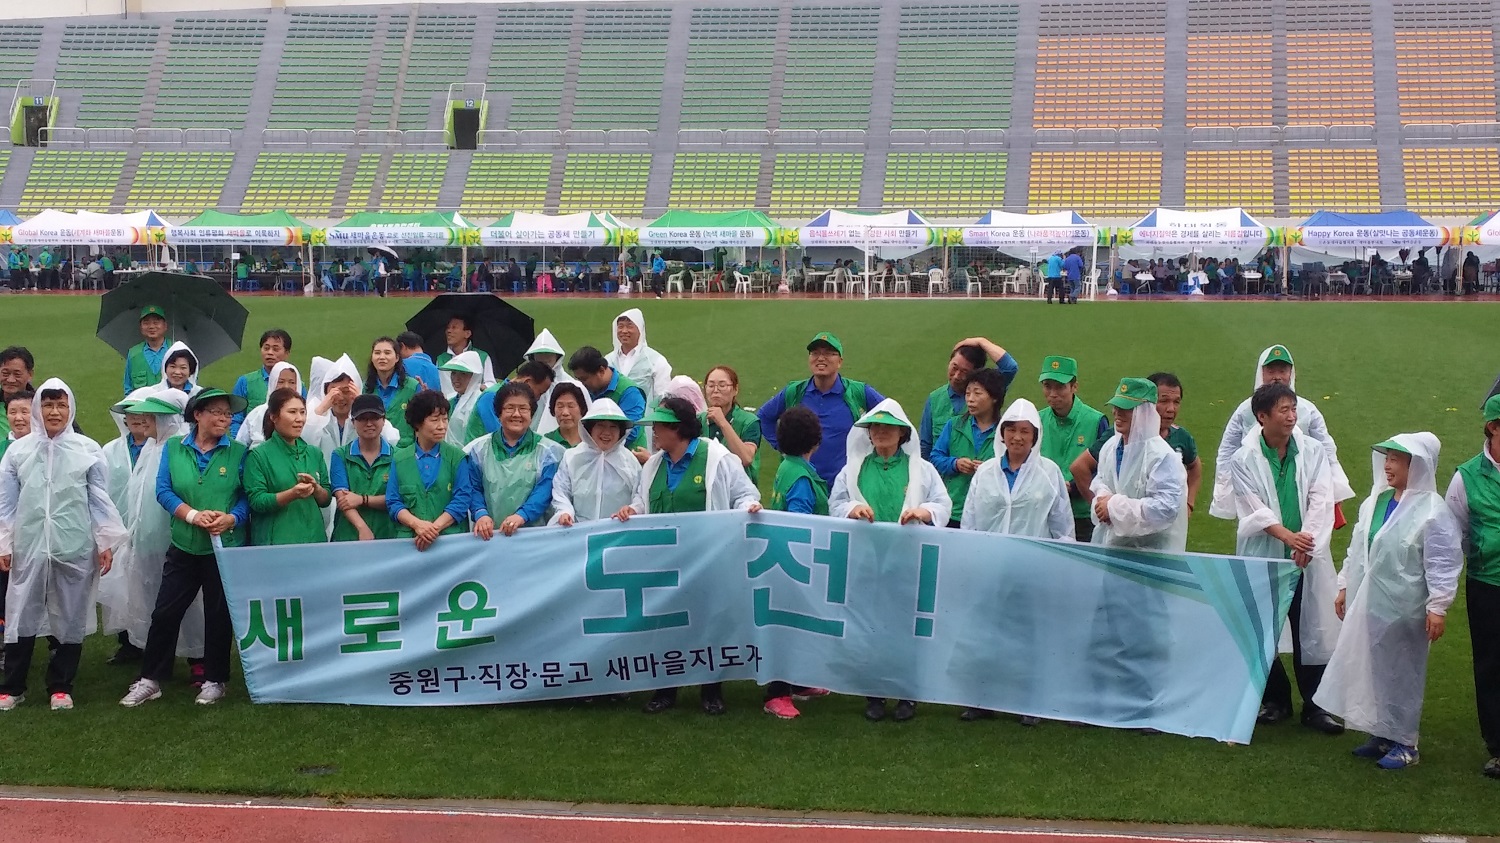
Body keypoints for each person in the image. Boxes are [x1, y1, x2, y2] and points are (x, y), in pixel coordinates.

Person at [1315, 433, 1462, 770]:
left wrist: (1437, 606)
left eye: (1397, 459)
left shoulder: (1432, 511)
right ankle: (1382, 733)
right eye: (1387, 458)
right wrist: (1344, 585)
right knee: (1376, 671)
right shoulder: (1376, 502)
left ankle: (1406, 742)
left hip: (1406, 608)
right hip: (1372, 603)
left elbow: (1442, 561)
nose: (1388, 465)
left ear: (1417, 466)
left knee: (1403, 673)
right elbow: (1358, 548)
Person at [615, 396, 762, 714]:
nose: (654, 431)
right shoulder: (653, 464)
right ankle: (665, 689)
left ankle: (711, 690)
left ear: (678, 429)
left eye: (660, 426)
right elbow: (643, 499)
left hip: (707, 560)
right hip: (664, 561)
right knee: (665, 625)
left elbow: (744, 493)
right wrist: (633, 509)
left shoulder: (717, 458)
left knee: (710, 623)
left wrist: (748, 507)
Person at [0, 379, 128, 712]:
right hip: (29, 546)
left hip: (73, 544)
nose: (54, 412)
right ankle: (13, 687)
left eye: (61, 405)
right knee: (21, 613)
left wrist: (105, 540)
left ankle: (61, 685)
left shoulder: (87, 449)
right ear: (37, 409)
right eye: (47, 405)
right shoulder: (19, 451)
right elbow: (6, 504)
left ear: (70, 408)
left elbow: (99, 499)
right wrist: (5, 543)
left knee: (70, 615)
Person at [120, 387, 250, 708]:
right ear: (198, 415)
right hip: (183, 545)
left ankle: (215, 679)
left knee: (218, 615)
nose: (224, 419)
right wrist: (192, 515)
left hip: (222, 549)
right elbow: (164, 490)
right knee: (166, 611)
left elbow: (247, 497)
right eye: (217, 412)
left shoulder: (239, 452)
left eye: (228, 414)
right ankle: (151, 679)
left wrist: (231, 518)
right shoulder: (175, 448)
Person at [1227, 382, 1343, 733]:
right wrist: (1287, 537)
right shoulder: (1242, 458)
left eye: (1293, 409)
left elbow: (1321, 499)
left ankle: (1316, 707)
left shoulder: (1312, 451)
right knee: (1263, 629)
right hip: (1264, 557)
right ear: (1262, 417)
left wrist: (1306, 542)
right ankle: (1275, 700)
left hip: (1305, 556)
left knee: (1311, 628)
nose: (1292, 416)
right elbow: (1253, 508)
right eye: (1284, 410)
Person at [829, 399, 951, 723]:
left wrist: (923, 511)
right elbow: (836, 503)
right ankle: (875, 692)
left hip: (908, 560)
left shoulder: (922, 470)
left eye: (888, 427)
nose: (881, 432)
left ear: (902, 433)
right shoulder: (853, 469)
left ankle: (907, 693)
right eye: (875, 427)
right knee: (870, 625)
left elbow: (943, 504)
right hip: (866, 561)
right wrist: (852, 509)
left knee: (906, 626)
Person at [96, 390, 201, 674]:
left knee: (186, 603)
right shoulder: (151, 449)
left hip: (174, 541)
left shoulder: (178, 449)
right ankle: (158, 659)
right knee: (152, 601)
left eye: (152, 416)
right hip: (145, 541)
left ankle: (197, 658)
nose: (145, 421)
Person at [1210, 345, 1354, 521]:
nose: (1277, 377)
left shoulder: (1308, 410)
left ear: (1291, 373)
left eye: (1282, 371)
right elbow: (1227, 450)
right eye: (1271, 371)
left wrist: (1336, 486)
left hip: (1300, 484)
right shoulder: (1245, 411)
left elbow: (1327, 449)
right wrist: (1225, 490)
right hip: (1258, 485)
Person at [1446, 394, 1500, 777]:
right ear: (1493, 427)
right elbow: (1453, 537)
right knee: (1492, 664)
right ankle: (1498, 745)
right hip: (1487, 586)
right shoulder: (1465, 478)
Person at [758, 332, 886, 490]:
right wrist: (783, 447)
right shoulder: (794, 391)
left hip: (845, 486)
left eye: (828, 353)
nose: (820, 358)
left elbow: (892, 415)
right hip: (801, 484)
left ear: (840, 362)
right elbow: (763, 417)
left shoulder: (858, 392)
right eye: (815, 353)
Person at [1071, 372, 1203, 516]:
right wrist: (1099, 505)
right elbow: (1088, 471)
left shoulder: (1169, 449)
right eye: (1164, 401)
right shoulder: (1114, 441)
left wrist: (1189, 503)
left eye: (1176, 402)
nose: (1171, 409)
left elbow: (1166, 505)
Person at [1090, 378, 1189, 551]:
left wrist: (1113, 507)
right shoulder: (1111, 446)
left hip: (1152, 555)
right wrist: (1102, 499)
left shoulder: (1162, 457)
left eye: (1126, 409)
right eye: (1116, 407)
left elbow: (1165, 508)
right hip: (1112, 549)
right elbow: (1102, 480)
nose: (1116, 413)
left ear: (1144, 412)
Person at [961, 398, 1073, 540]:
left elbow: (1063, 526)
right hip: (988, 550)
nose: (1017, 437)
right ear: (1002, 433)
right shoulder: (985, 472)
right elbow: (969, 521)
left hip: (1032, 552)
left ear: (1034, 436)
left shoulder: (1049, 472)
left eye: (1025, 431)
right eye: (1011, 430)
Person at [467, 382, 564, 540]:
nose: (516, 414)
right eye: (510, 408)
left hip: (533, 539)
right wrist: (481, 514)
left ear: (532, 413)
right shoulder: (478, 449)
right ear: (499, 413)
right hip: (488, 537)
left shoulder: (550, 452)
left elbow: (544, 491)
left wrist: (522, 515)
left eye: (523, 409)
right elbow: (473, 487)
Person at [386, 389, 471, 551]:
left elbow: (462, 499)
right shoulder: (399, 459)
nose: (442, 426)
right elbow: (393, 502)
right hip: (410, 544)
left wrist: (433, 529)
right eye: (435, 420)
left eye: (445, 419)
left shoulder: (457, 458)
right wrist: (417, 524)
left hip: (450, 543)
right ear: (418, 423)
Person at [244, 388, 331, 546]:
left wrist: (316, 489)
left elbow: (326, 499)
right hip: (276, 542)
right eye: (292, 412)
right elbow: (256, 501)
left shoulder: (314, 453)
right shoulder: (258, 456)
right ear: (273, 417)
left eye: (302, 412)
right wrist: (292, 494)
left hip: (313, 539)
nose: (300, 419)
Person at [1036, 356, 1110, 541]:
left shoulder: (1095, 420)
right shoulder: (1036, 420)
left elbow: (1106, 468)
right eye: (1047, 386)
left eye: (1060, 387)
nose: (1053, 394)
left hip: (1083, 514)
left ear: (1074, 386)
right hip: (1046, 511)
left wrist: (1074, 487)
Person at [930, 368, 1010, 527]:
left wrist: (989, 470)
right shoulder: (954, 425)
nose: (970, 399)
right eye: (967, 393)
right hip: (953, 510)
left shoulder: (1006, 432)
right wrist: (955, 464)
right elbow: (935, 458)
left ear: (994, 398)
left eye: (977, 393)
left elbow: (1013, 468)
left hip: (989, 513)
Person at [919, 338, 1018, 460]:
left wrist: (981, 342)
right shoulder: (935, 399)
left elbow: (1010, 367)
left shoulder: (989, 387)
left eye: (964, 372)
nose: (956, 376)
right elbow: (925, 445)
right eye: (954, 367)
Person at [549, 399, 640, 527]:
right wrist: (565, 512)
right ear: (589, 428)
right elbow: (561, 491)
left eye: (613, 427)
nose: (607, 432)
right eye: (600, 425)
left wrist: (632, 509)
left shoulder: (629, 461)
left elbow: (640, 494)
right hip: (579, 531)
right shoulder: (573, 457)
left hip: (618, 530)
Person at [306, 354, 400, 460]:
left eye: (346, 391)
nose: (340, 398)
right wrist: (322, 408)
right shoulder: (318, 417)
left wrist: (362, 404)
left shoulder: (362, 418)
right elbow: (304, 438)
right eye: (334, 392)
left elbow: (391, 439)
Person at [330, 395, 397, 543]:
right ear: (353, 422)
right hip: (348, 537)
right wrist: (362, 528)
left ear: (384, 420)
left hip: (387, 536)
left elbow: (397, 499)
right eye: (362, 418)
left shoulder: (398, 457)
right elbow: (343, 499)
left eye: (375, 417)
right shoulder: (340, 455)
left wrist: (362, 500)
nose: (369, 423)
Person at [570, 346, 647, 450]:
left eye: (584, 379)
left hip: (628, 456)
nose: (581, 384)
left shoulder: (630, 392)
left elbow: (630, 432)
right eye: (578, 379)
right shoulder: (588, 388)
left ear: (601, 371)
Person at [466, 360, 556, 443]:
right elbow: (503, 435)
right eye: (540, 393)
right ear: (527, 382)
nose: (538, 398)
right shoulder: (491, 396)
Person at [702, 366, 762, 485]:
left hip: (739, 490)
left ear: (735, 389)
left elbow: (746, 458)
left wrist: (723, 422)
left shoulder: (749, 421)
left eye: (722, 385)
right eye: (711, 385)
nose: (715, 390)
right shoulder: (699, 420)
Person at [606, 309, 673, 412]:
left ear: (640, 329)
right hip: (614, 417)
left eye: (629, 326)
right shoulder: (608, 361)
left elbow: (662, 397)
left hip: (644, 418)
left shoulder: (655, 360)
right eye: (620, 326)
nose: (624, 331)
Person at [230, 329, 292, 437]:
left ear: (286, 353)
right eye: (266, 348)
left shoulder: (296, 384)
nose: (270, 353)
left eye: (275, 349)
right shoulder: (245, 382)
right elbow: (235, 419)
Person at [522, 329, 582, 435]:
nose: (544, 357)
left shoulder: (569, 383)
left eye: (548, 354)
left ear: (557, 356)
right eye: (539, 354)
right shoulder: (526, 384)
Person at [366, 336, 420, 447]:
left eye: (387, 353)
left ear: (397, 358)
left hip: (405, 449)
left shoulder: (412, 387)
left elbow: (421, 423)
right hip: (374, 450)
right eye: (377, 353)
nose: (382, 357)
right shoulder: (366, 388)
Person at [236, 362, 303, 449]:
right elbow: (240, 445)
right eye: (281, 382)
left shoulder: (304, 416)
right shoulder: (257, 414)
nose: (286, 386)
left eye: (292, 382)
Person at [435, 316, 496, 398]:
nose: (449, 331)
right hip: (447, 404)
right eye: (448, 327)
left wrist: (476, 386)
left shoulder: (481, 357)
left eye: (454, 327)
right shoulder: (441, 359)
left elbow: (491, 384)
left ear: (467, 334)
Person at [440, 351, 485, 448]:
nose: (456, 378)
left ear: (474, 376)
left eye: (463, 374)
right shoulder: (450, 401)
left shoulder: (481, 401)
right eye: (453, 373)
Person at [123, 305, 171, 394]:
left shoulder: (176, 350)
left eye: (156, 322)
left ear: (165, 326)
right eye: (146, 323)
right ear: (141, 327)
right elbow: (128, 388)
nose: (151, 326)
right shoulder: (133, 354)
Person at [0, 347, 36, 441]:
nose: (10, 380)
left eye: (17, 374)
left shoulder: (42, 404)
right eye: (5, 373)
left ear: (30, 374)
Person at [546, 383, 588, 450]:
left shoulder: (591, 441)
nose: (565, 413)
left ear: (582, 409)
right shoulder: (545, 443)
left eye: (571, 406)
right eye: (560, 406)